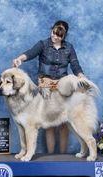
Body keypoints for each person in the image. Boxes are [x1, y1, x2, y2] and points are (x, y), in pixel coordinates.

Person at [12, 20, 85, 154]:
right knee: (49, 124)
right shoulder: (43, 44)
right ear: (52, 30)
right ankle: (51, 156)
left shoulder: (69, 47)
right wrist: (20, 59)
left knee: (64, 123)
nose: (55, 37)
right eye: (53, 33)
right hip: (45, 88)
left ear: (64, 35)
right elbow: (30, 53)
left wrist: (81, 76)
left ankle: (62, 157)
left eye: (59, 35)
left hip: (63, 90)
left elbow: (75, 64)